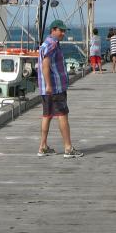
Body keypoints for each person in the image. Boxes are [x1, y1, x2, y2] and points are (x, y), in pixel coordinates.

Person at [37, 19, 83, 158]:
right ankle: (68, 148)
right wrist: (50, 85)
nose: (63, 33)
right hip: (54, 88)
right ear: (53, 30)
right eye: (61, 30)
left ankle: (43, 147)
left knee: (47, 115)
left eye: (64, 31)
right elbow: (45, 66)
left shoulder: (46, 43)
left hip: (46, 89)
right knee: (62, 115)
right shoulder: (51, 45)